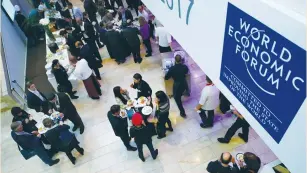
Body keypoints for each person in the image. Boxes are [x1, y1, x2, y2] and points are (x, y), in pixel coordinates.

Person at [165, 53, 189, 117]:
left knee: (177, 99)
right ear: (181, 60)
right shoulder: (185, 67)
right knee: (181, 92)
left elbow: (166, 78)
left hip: (177, 85)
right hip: (184, 83)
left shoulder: (172, 69)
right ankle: (182, 94)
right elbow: (186, 72)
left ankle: (182, 112)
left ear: (175, 60)